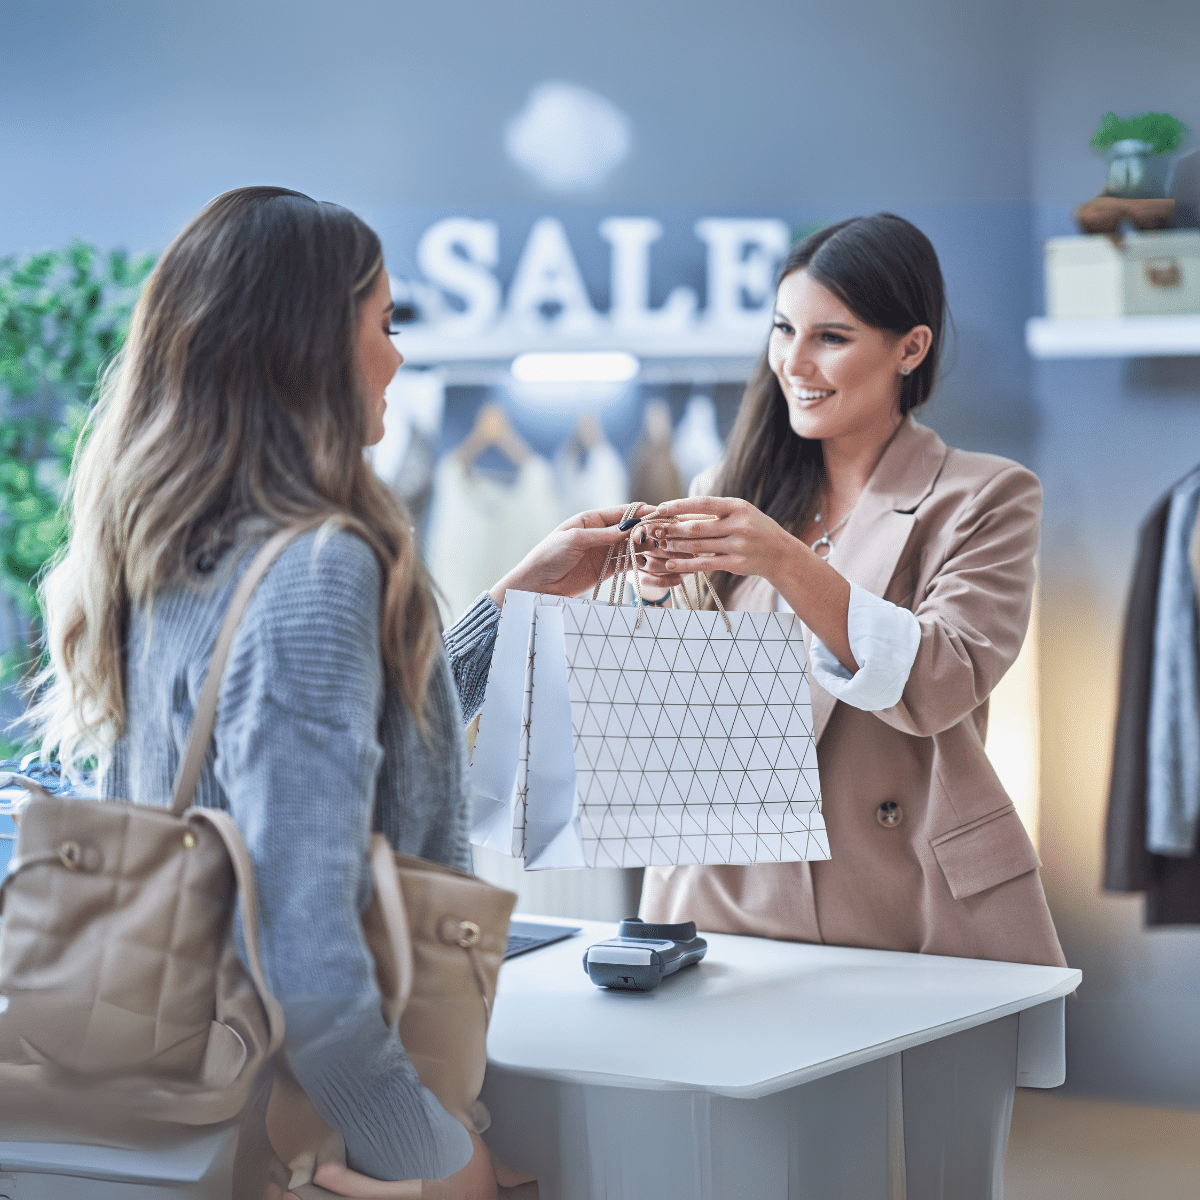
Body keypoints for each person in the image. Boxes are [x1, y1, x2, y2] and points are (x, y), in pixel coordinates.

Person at [31, 186, 648, 1200]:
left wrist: (511, 602)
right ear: (309, 347)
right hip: (326, 1128)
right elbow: (307, 953)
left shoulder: (165, 545)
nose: (397, 357)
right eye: (385, 323)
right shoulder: (319, 567)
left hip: (198, 1087)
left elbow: (354, 743)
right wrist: (431, 1156)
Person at [633, 213, 1066, 969]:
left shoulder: (986, 495)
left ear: (910, 348)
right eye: (783, 329)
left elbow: (940, 681)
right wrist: (656, 598)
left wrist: (787, 562)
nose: (793, 362)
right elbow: (676, 712)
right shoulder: (725, 488)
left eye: (831, 337)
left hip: (908, 900)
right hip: (727, 890)